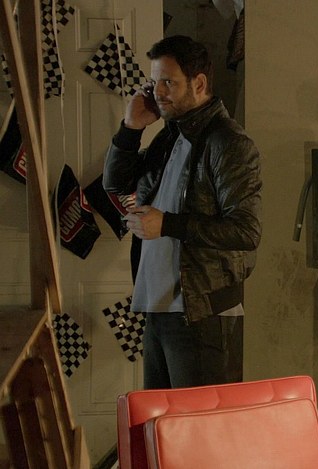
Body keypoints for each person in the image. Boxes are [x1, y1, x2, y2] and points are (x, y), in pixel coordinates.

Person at [102, 35, 261, 390]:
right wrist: (130, 129)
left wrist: (168, 224)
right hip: (159, 308)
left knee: (196, 422)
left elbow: (246, 231)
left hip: (201, 313)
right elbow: (115, 184)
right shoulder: (170, 135)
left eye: (169, 83)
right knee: (161, 420)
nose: (158, 92)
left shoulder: (229, 143)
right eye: (154, 82)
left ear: (199, 84)